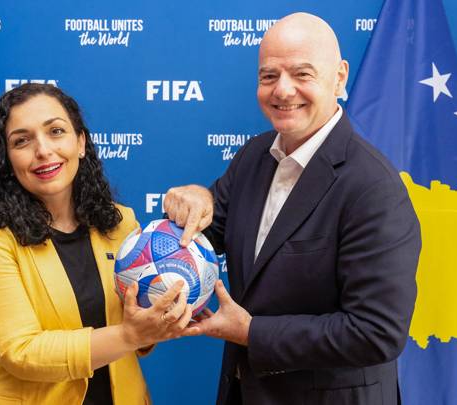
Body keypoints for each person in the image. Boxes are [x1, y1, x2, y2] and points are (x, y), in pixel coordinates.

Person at [167, 13, 421, 405]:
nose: (283, 90)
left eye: (302, 74)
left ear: (339, 77)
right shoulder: (254, 156)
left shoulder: (373, 188)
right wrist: (197, 197)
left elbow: (376, 332)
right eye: (269, 76)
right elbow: (206, 227)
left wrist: (252, 332)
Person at [0, 83, 192, 405]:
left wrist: (157, 323)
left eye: (56, 131)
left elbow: (135, 329)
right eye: (22, 141)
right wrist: (128, 335)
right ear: (6, 159)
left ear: (80, 142)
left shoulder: (121, 223)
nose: (43, 150)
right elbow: (19, 351)